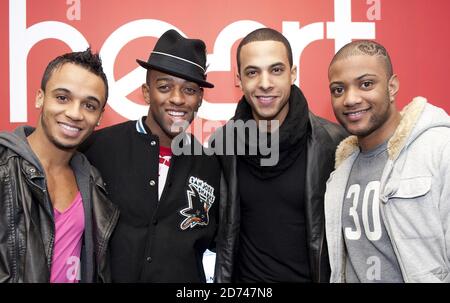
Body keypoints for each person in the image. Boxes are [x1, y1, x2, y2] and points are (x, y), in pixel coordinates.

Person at [81, 29, 223, 282]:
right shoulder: (97, 148)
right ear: (147, 92)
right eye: (165, 87)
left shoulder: (210, 164)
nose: (177, 99)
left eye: (189, 90)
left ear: (200, 99)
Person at [213, 28, 347, 282]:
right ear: (239, 79)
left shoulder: (333, 142)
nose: (265, 83)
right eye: (253, 72)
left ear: (293, 74)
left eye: (276, 70)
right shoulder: (222, 144)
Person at [324, 40, 450, 283]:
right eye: (338, 89)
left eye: (366, 84)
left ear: (392, 87)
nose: (350, 99)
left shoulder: (439, 149)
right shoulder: (340, 173)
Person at [0, 48, 119, 283]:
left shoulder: (91, 181)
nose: (75, 113)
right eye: (62, 98)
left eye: (89, 105)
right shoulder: (4, 168)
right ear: (40, 97)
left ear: (100, 117)